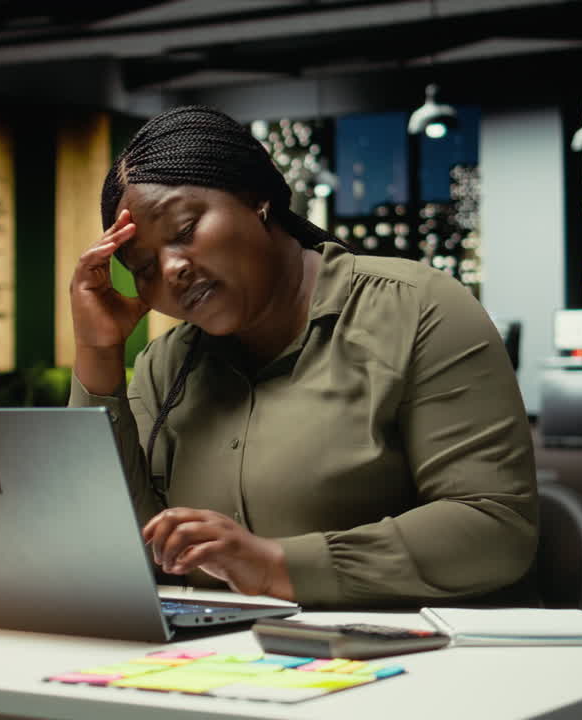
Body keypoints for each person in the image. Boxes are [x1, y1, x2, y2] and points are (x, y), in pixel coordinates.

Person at [68, 105, 537, 609]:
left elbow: (495, 529)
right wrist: (99, 353)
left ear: (257, 197)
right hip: (205, 663)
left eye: (184, 231)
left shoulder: (419, 310)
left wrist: (275, 567)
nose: (171, 269)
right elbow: (108, 547)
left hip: (393, 660)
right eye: (142, 267)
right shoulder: (167, 365)